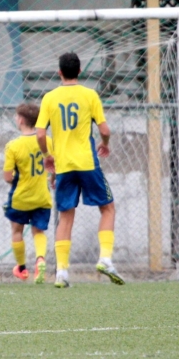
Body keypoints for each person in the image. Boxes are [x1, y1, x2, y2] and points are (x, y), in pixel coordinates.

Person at [35, 52, 124, 288]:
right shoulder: (90, 95)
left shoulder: (49, 98)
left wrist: (47, 157)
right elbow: (104, 129)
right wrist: (105, 144)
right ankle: (105, 258)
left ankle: (62, 273)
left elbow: (41, 133)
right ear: (80, 71)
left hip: (63, 166)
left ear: (59, 72)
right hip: (87, 162)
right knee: (108, 208)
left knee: (65, 216)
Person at [3, 103, 53, 284]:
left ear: (21, 120)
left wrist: (17, 176)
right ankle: (40, 259)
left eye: (17, 117)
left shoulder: (13, 146)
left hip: (20, 198)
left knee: (17, 231)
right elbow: (53, 164)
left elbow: (8, 177)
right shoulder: (47, 141)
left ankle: (22, 268)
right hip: (42, 195)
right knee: (38, 231)